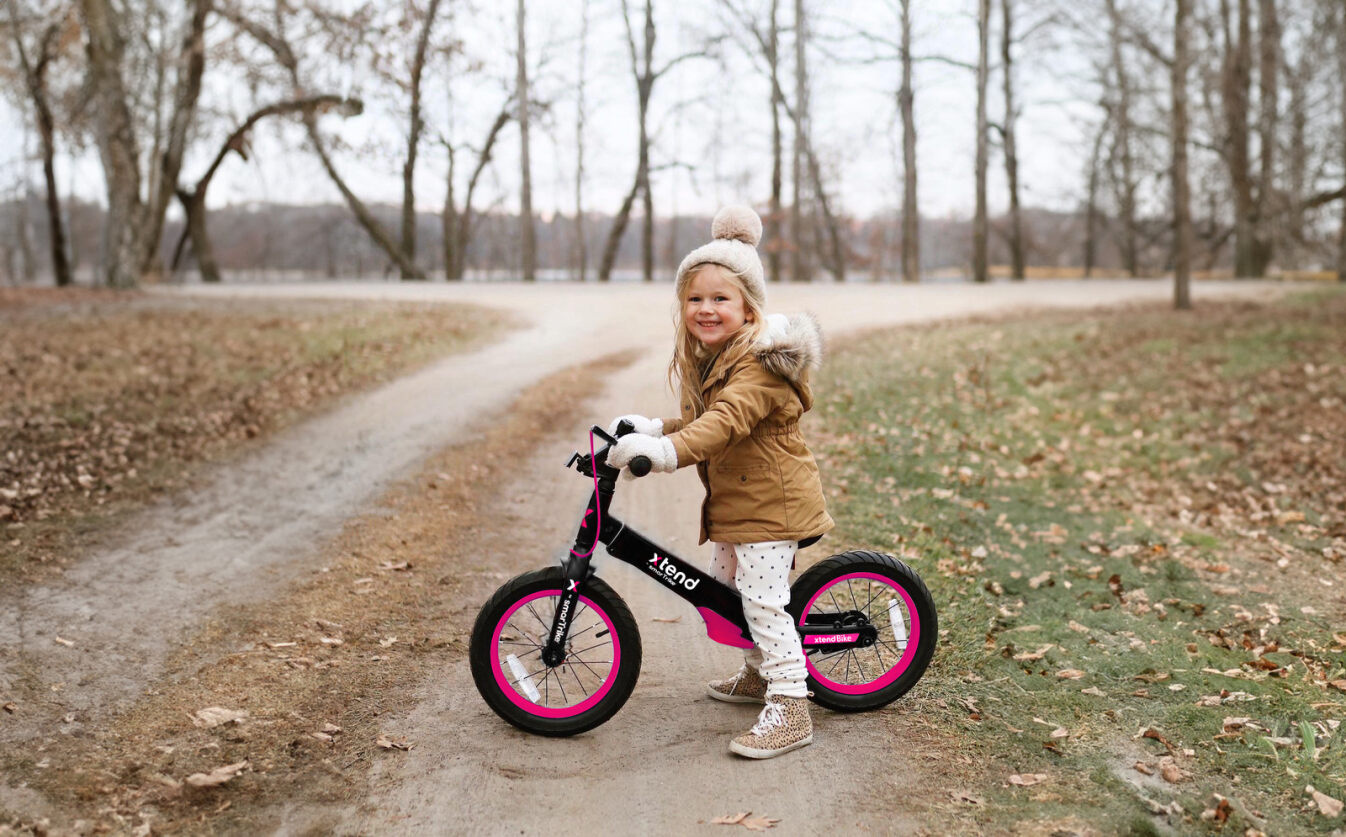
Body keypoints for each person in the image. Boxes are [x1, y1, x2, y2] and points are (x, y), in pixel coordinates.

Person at [607, 205, 834, 759]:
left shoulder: (758, 365)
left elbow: (727, 421)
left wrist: (663, 453)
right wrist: (658, 427)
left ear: (749, 307)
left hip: (770, 505)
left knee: (760, 602)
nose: (706, 310)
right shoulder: (716, 358)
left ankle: (791, 704)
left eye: (720, 299)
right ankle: (759, 674)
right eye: (695, 298)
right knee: (728, 595)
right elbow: (707, 418)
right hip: (740, 502)